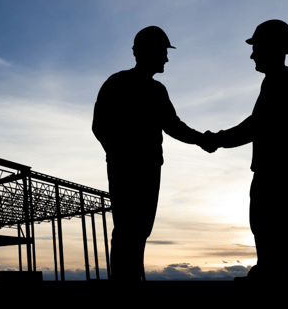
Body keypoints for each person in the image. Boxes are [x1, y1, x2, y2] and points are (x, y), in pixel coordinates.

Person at [92, 26, 216, 282]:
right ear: (146, 52)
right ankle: (124, 281)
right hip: (128, 168)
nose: (167, 59)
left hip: (148, 168)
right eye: (163, 52)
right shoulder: (117, 83)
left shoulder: (156, 90)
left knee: (139, 228)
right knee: (128, 227)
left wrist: (201, 139)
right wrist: (120, 154)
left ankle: (130, 278)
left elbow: (173, 126)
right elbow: (100, 125)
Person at [203, 19, 288, 281]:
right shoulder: (279, 81)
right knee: (272, 228)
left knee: (272, 227)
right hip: (281, 171)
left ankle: (272, 279)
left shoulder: (279, 82)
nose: (252, 54)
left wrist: (217, 139)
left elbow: (255, 126)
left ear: (272, 47)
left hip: (276, 172)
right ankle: (268, 275)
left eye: (257, 46)